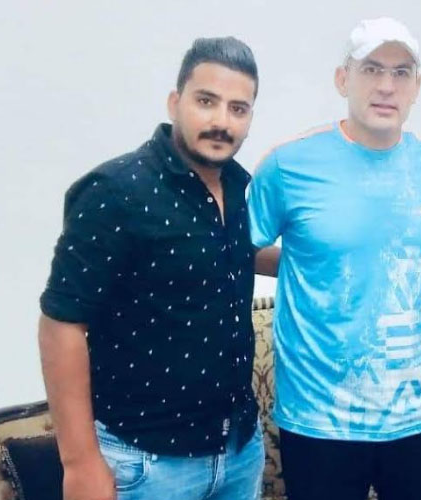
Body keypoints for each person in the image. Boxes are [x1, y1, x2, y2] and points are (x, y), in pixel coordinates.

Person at [38, 37, 264, 500]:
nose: (222, 122)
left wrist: (325, 258)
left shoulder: (239, 187)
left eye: (238, 109)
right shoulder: (115, 191)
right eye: (206, 101)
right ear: (175, 102)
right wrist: (79, 461)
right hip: (145, 464)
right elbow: (61, 325)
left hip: (240, 452)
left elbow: (228, 253)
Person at [248, 17, 421, 500]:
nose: (386, 86)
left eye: (401, 73)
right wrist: (305, 263)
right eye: (371, 69)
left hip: (418, 419)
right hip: (320, 420)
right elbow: (240, 250)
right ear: (343, 79)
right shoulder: (288, 165)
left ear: (417, 87)